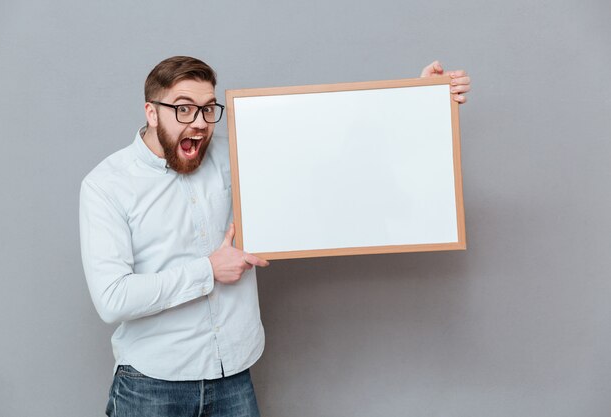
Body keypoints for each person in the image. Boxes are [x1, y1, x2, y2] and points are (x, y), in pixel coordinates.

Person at [79, 56, 470, 417]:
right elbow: (113, 299)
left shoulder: (234, 153)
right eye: (183, 108)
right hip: (152, 384)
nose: (199, 122)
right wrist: (208, 270)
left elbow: (331, 153)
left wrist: (418, 101)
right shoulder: (106, 186)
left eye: (208, 108)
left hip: (233, 374)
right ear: (151, 111)